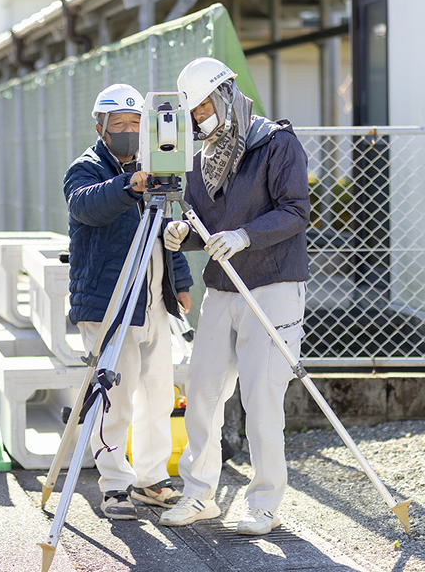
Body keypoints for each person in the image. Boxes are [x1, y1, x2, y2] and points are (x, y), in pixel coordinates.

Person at [159, 57, 310, 535]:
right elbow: (203, 226)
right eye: (193, 110)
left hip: (274, 286)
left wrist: (246, 235)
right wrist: (181, 235)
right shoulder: (200, 156)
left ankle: (264, 504)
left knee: (261, 398)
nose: (199, 117)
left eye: (204, 106)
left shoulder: (275, 142)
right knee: (202, 391)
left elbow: (296, 210)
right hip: (222, 287)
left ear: (225, 95)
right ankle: (199, 494)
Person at [64, 83, 194, 520]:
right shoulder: (86, 168)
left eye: (134, 124)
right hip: (110, 305)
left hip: (153, 301)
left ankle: (151, 478)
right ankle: (115, 484)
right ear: (100, 128)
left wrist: (180, 282)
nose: (127, 131)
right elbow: (86, 206)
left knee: (158, 395)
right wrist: (127, 185)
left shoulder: (153, 167)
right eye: (117, 124)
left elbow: (164, 231)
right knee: (114, 400)